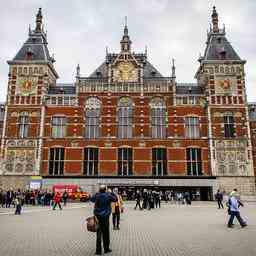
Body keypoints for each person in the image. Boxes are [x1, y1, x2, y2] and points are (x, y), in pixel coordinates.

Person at [90, 185, 117, 255]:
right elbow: (115, 199)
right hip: (105, 217)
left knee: (99, 233)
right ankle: (106, 249)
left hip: (98, 217)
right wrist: (111, 192)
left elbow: (91, 199)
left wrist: (97, 193)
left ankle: (98, 250)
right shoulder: (108, 195)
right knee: (106, 233)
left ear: (99, 190)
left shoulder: (97, 195)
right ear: (105, 189)